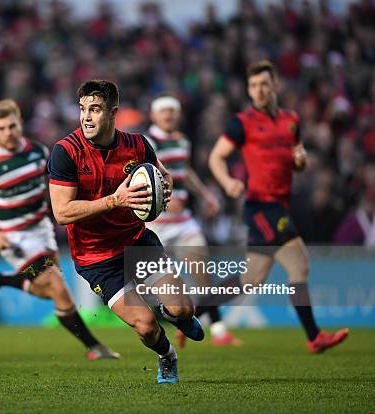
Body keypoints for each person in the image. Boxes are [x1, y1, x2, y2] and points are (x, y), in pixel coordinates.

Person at [48, 80, 204, 384]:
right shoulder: (66, 152)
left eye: (95, 109)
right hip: (96, 258)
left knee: (183, 307)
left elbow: (161, 173)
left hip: (136, 241)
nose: (86, 117)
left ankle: (177, 315)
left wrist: (166, 184)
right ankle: (167, 356)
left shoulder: (137, 145)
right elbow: (62, 212)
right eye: (82, 109)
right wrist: (114, 200)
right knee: (146, 327)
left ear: (113, 113)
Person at [208, 60, 349, 353]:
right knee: (299, 262)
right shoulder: (242, 122)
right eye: (253, 85)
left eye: (264, 84)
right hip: (261, 206)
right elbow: (216, 157)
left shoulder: (290, 120)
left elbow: (297, 159)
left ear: (275, 86)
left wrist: (301, 161)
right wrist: (227, 182)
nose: (258, 90)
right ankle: (314, 337)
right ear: (248, 89)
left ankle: (191, 312)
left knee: (252, 278)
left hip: (280, 204)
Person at [0, 99, 119, 360]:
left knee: (45, 289)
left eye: (12, 126)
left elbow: (58, 185)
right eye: (0, 128)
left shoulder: (38, 152)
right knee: (57, 288)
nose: (7, 133)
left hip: (42, 230)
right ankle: (95, 347)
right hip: (15, 239)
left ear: (20, 124)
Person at [144, 95, 241, 348]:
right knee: (152, 283)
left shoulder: (182, 140)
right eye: (163, 111)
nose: (168, 116)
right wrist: (165, 196)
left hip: (183, 221)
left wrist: (206, 195)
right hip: (156, 223)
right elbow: (142, 176)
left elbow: (185, 172)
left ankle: (219, 331)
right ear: (154, 115)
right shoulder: (146, 142)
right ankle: (176, 320)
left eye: (172, 112)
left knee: (203, 275)